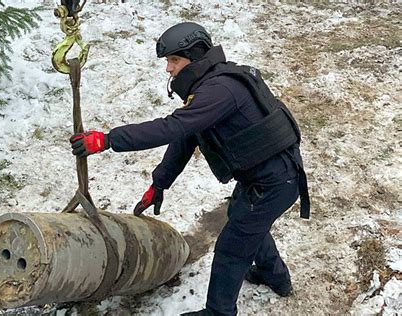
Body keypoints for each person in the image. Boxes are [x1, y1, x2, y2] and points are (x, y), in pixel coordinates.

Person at [69, 22, 310, 316]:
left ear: (194, 57)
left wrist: (108, 140)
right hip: (267, 176)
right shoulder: (210, 86)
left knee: (232, 248)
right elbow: (186, 138)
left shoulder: (219, 91)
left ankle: (219, 312)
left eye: (174, 60)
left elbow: (173, 128)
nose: (168, 69)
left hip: (274, 181)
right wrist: (159, 184)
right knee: (243, 220)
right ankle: (276, 277)